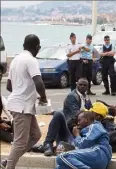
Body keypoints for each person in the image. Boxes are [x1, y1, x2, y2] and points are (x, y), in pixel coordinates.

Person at [3, 34, 47, 169]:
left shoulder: (16, 60)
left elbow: (9, 86)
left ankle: (8, 161)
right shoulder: (31, 60)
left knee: (35, 135)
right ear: (37, 47)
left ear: (23, 46)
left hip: (21, 105)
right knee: (20, 142)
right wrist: (43, 98)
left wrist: (23, 91)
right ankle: (9, 166)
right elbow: (38, 82)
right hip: (21, 107)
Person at [43, 78, 92, 156]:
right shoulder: (72, 96)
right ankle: (48, 144)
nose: (82, 86)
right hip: (69, 128)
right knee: (58, 113)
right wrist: (88, 113)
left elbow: (90, 111)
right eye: (80, 85)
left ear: (87, 86)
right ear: (76, 85)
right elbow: (76, 114)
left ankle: (55, 147)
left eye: (84, 85)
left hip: (78, 130)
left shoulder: (86, 97)